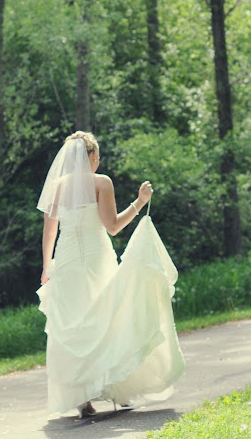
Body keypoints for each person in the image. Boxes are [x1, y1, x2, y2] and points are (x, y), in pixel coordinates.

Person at [37, 131, 185, 417]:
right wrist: (140, 202)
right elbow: (113, 226)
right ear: (91, 156)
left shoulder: (55, 187)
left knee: (73, 325)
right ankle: (117, 386)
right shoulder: (102, 182)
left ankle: (82, 399)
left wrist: (46, 267)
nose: (99, 160)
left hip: (66, 261)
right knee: (108, 318)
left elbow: (49, 231)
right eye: (98, 156)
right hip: (97, 258)